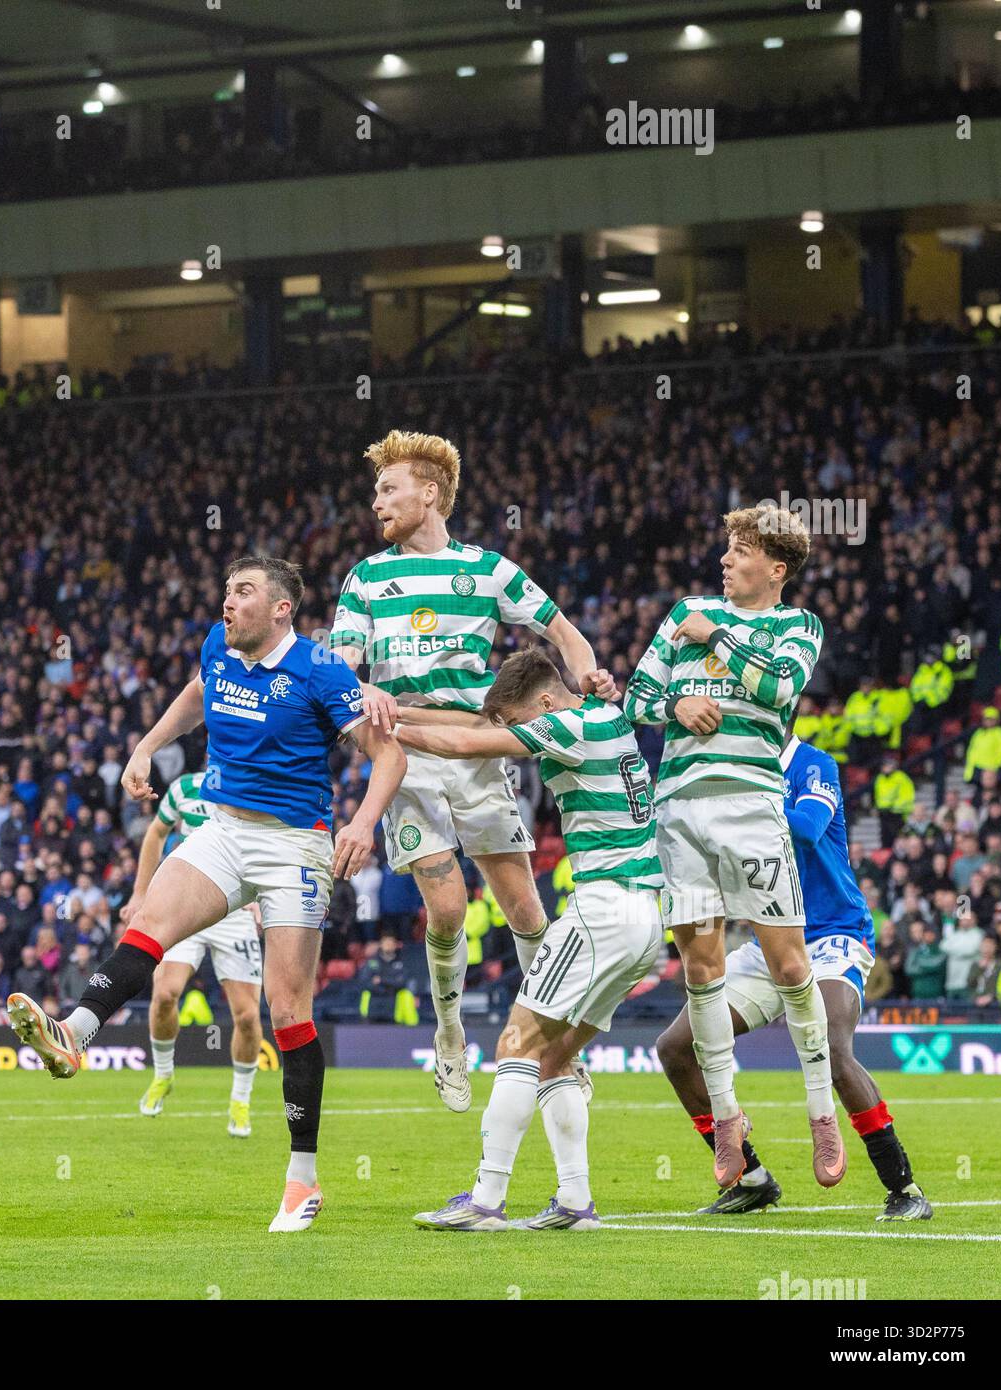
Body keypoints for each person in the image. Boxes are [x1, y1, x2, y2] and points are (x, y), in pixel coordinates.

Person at [6, 556, 405, 1232]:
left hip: (293, 846)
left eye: (243, 592)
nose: (228, 601)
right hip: (220, 829)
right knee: (149, 926)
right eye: (226, 589)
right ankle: (72, 1034)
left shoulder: (320, 670)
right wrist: (146, 746)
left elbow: (388, 754)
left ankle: (301, 1182)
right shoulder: (219, 645)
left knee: (287, 1013)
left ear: (282, 608)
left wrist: (364, 823)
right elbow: (197, 693)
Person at [328, 430, 615, 1113]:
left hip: (481, 745)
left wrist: (586, 671)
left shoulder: (489, 571)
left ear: (429, 493)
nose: (377, 503)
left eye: (388, 489)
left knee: (525, 909)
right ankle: (451, 1038)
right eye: (376, 493)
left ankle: (555, 1046)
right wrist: (357, 691)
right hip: (409, 750)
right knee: (449, 910)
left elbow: (563, 631)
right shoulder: (366, 577)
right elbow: (338, 661)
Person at [625, 504, 845, 1191]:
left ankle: (820, 1112)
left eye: (740, 551)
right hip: (680, 808)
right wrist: (675, 708)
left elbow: (779, 687)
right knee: (701, 967)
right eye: (725, 548)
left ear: (775, 569)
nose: (724, 560)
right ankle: (726, 1117)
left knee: (786, 961)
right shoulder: (684, 611)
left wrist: (715, 636)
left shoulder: (796, 625)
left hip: (751, 808)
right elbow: (637, 696)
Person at [402, 649, 659, 1230]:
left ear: (545, 703)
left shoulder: (566, 723)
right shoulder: (605, 716)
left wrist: (384, 723)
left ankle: (486, 1200)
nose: (520, 738)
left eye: (521, 722)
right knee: (554, 1060)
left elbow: (467, 745)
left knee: (516, 1045)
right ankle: (575, 1201)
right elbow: (479, 722)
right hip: (645, 917)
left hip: (602, 910)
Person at [658, 732, 932, 1222]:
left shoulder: (812, 764)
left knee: (830, 1044)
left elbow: (806, 828)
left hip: (831, 936)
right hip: (768, 940)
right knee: (676, 1047)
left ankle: (904, 1187)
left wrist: (731, 816)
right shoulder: (729, 768)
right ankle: (750, 1178)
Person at [123, 769, 265, 1139]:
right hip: (187, 909)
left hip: (235, 912)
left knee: (247, 1016)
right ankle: (164, 1075)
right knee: (165, 994)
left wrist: (265, 898)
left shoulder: (255, 784)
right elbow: (157, 832)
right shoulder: (185, 789)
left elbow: (270, 845)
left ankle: (240, 1100)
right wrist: (140, 893)